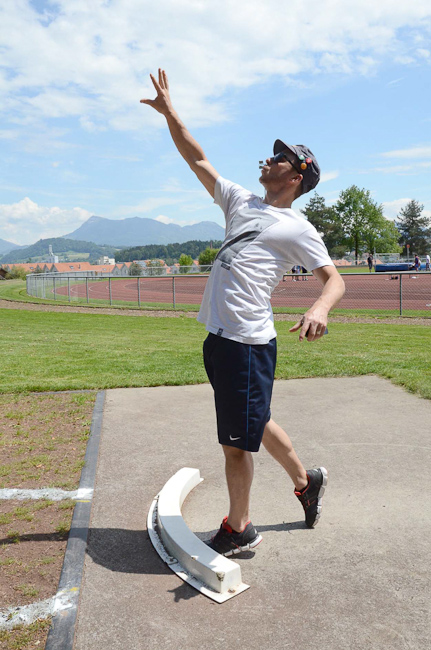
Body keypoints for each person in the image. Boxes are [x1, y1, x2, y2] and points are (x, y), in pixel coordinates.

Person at [141, 70, 345, 556]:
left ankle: (240, 528)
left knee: (236, 443)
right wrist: (171, 113)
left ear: (296, 178)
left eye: (281, 158)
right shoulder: (240, 201)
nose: (269, 159)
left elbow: (335, 280)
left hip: (247, 343)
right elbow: (197, 157)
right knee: (255, 420)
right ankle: (306, 481)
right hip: (220, 338)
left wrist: (320, 307)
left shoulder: (297, 228)